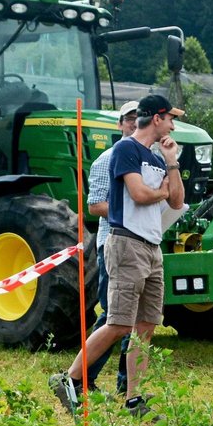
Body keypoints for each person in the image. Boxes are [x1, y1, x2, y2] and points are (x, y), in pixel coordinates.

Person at [51, 94, 186, 418]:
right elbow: (139, 195)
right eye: (170, 118)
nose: (173, 125)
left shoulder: (155, 157)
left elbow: (177, 201)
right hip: (127, 244)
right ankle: (69, 379)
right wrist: (162, 192)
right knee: (118, 323)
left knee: (147, 324)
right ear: (157, 118)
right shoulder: (126, 150)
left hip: (152, 248)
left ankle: (133, 398)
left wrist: (172, 162)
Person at [82, 100, 138, 393]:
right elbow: (95, 205)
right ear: (119, 124)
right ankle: (84, 377)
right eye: (129, 119)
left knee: (137, 319)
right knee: (113, 316)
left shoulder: (147, 159)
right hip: (112, 245)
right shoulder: (106, 159)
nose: (134, 123)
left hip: (141, 246)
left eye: (139, 118)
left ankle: (126, 385)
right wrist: (132, 212)